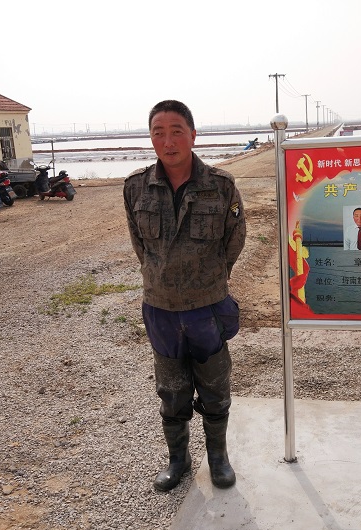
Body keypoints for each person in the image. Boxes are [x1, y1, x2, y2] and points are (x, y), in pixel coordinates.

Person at [123, 100, 246, 491]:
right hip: (160, 308)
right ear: (151, 138)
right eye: (158, 132)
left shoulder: (221, 186)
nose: (168, 141)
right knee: (171, 391)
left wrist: (211, 278)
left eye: (176, 131)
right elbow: (140, 245)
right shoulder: (136, 186)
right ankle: (178, 460)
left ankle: (218, 459)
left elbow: (235, 240)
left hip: (207, 306)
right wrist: (161, 277)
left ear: (193, 136)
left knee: (215, 386)